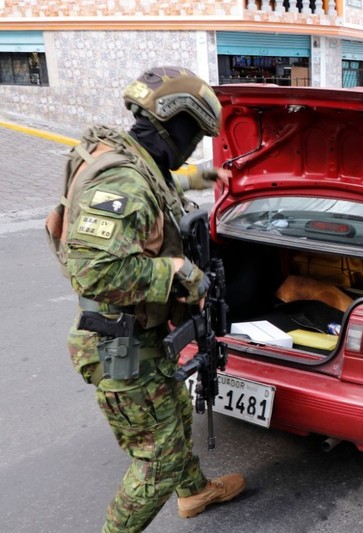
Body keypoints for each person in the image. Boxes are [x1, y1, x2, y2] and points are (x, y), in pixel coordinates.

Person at [50, 66, 245, 531]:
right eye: (193, 135)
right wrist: (175, 271)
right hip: (120, 350)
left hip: (140, 336)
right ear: (173, 123)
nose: (193, 146)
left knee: (176, 417)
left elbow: (151, 190)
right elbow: (92, 271)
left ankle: (194, 492)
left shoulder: (125, 155)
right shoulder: (122, 181)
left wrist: (198, 178)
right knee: (156, 462)